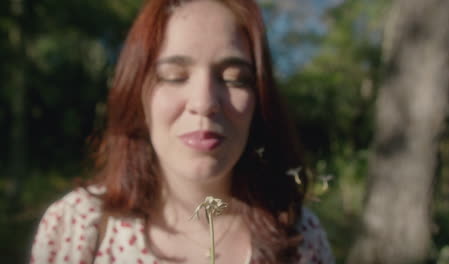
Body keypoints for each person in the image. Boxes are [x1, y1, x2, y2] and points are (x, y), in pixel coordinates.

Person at [30, 0, 335, 263]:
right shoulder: (76, 227)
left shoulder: (301, 239)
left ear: (259, 99)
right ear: (138, 95)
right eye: (174, 77)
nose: (204, 103)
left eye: (234, 78)